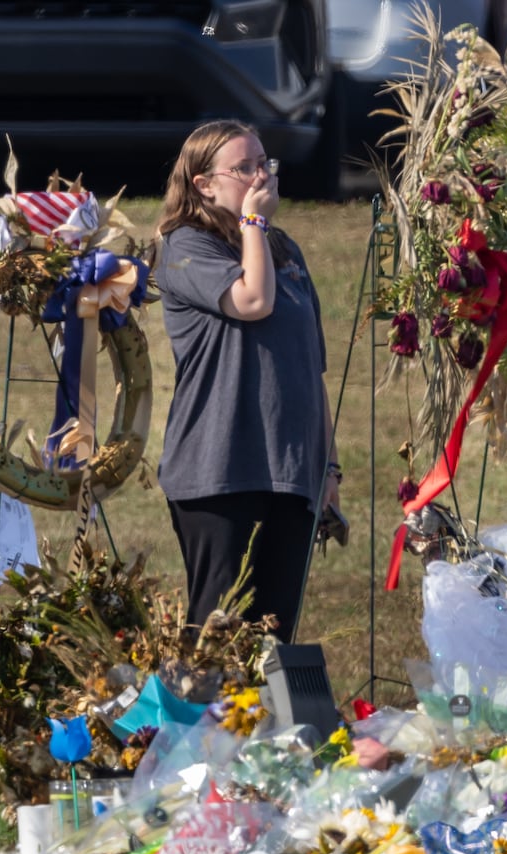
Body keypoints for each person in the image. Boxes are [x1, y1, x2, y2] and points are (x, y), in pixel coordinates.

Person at [153, 120, 340, 638]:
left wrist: (330, 468)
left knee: (273, 638)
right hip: (220, 471)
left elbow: (312, 368)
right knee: (217, 638)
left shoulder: (286, 251)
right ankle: (195, 724)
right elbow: (252, 301)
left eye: (265, 164)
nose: (261, 176)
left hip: (291, 471)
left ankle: (267, 724)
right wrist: (254, 224)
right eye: (244, 168)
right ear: (203, 184)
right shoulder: (184, 246)